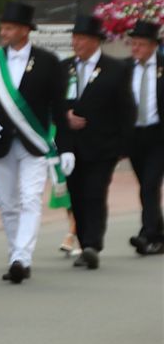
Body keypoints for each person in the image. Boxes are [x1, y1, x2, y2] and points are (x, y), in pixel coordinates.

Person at [0, 1, 67, 284]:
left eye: (9, 28)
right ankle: (15, 252)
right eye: (2, 27)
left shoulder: (48, 61)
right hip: (0, 142)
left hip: (34, 143)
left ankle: (21, 258)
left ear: (25, 30)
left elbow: (59, 106)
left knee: (30, 199)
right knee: (8, 203)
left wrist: (65, 147)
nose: (3, 33)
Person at [56, 14, 134, 270]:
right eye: (74, 38)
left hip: (103, 146)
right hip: (70, 146)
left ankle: (92, 245)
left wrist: (124, 145)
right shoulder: (64, 68)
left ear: (94, 41)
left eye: (81, 38)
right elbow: (53, 104)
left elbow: (126, 108)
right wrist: (65, 115)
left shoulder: (116, 69)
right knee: (76, 195)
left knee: (95, 193)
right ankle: (83, 240)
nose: (76, 43)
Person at [127, 19, 163, 255]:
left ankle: (148, 234)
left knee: (150, 184)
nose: (135, 48)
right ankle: (157, 232)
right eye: (133, 43)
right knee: (145, 185)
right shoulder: (124, 69)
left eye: (140, 44)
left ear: (153, 46)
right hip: (134, 136)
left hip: (158, 135)